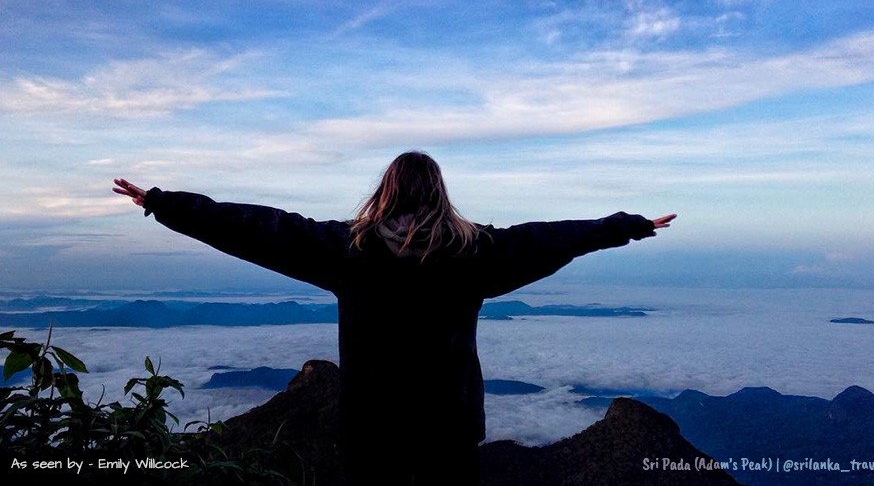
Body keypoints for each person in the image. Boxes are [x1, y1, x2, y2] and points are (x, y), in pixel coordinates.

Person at [112, 150, 676, 486]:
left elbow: (258, 228)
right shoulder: (476, 253)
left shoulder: (348, 250)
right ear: (439, 193)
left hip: (371, 429)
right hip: (449, 430)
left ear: (386, 190)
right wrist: (629, 225)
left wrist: (165, 203)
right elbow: (555, 238)